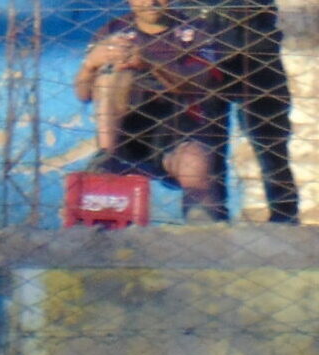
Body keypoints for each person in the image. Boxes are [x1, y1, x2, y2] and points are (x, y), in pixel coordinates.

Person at [76, 0, 226, 222]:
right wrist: (90, 64)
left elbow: (200, 82)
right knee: (112, 74)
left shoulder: (195, 30)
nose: (151, 2)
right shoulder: (113, 30)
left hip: (176, 127)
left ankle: (201, 229)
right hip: (124, 131)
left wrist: (148, 61)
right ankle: (107, 157)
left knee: (195, 162)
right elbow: (83, 94)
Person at [192, 0, 298, 223]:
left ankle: (284, 217)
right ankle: (212, 216)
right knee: (207, 138)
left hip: (257, 43)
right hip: (202, 41)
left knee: (271, 140)